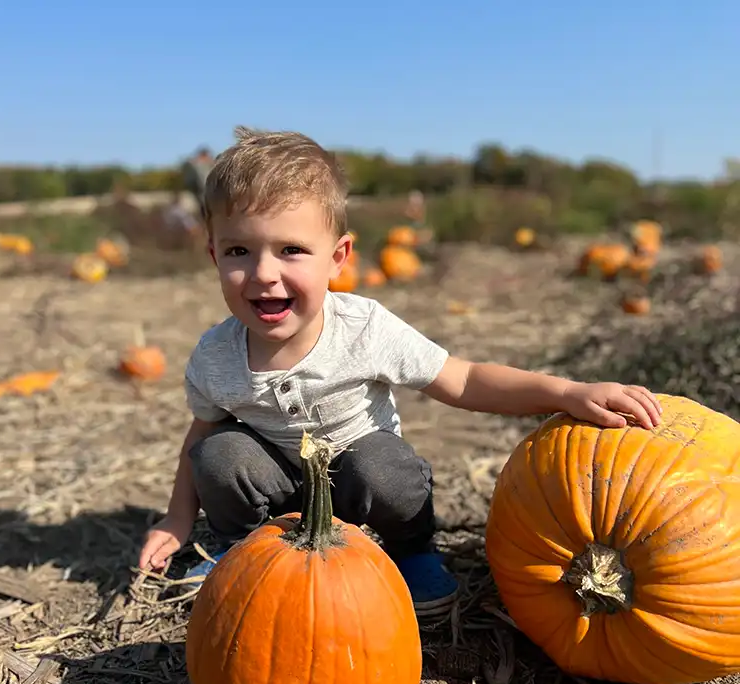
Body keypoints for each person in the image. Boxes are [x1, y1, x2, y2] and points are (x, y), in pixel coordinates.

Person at [138, 127, 662, 620]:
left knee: (385, 468)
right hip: (278, 489)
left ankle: (412, 553)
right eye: (238, 251)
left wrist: (566, 393)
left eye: (291, 250)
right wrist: (177, 517)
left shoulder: (365, 328)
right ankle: (239, 546)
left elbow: (464, 379)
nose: (264, 274)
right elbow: (200, 432)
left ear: (338, 257)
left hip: (356, 479)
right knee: (220, 452)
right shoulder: (215, 354)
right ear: (213, 255)